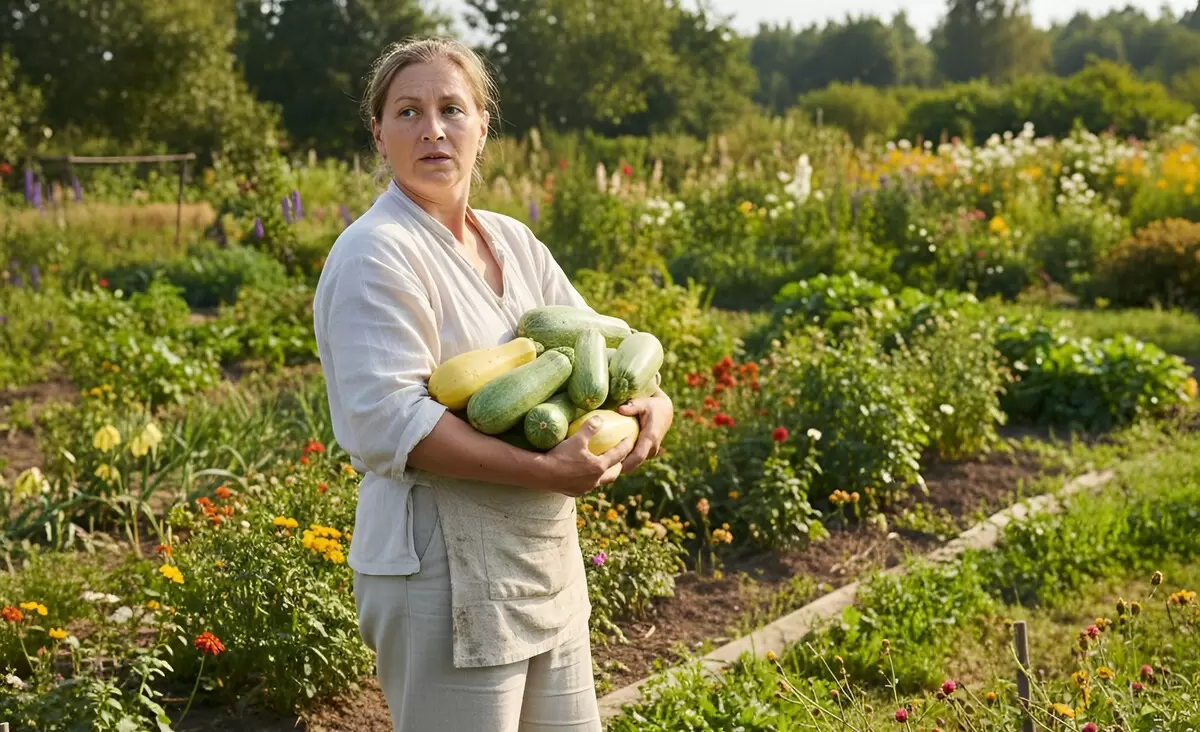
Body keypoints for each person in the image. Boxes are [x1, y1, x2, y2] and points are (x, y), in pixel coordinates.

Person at [311, 37, 674, 731]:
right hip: (438, 570)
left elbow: (602, 347)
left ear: (482, 126)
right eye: (408, 112)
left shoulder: (515, 242)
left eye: (452, 109)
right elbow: (391, 422)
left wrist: (654, 402)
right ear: (378, 133)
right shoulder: (376, 253)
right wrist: (547, 472)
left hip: (543, 559)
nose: (432, 129)